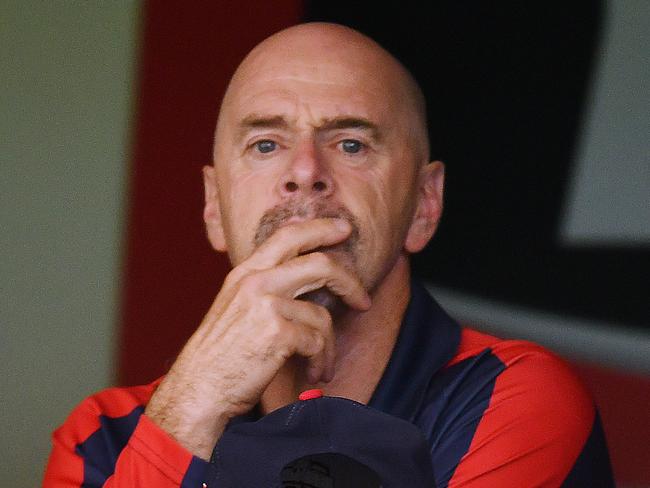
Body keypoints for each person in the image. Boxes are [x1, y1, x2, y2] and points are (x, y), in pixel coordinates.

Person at [43, 22, 614, 487]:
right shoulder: (103, 437)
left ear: (423, 204)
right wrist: (194, 404)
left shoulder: (513, 399)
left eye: (350, 144)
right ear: (214, 206)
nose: (305, 173)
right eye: (266, 144)